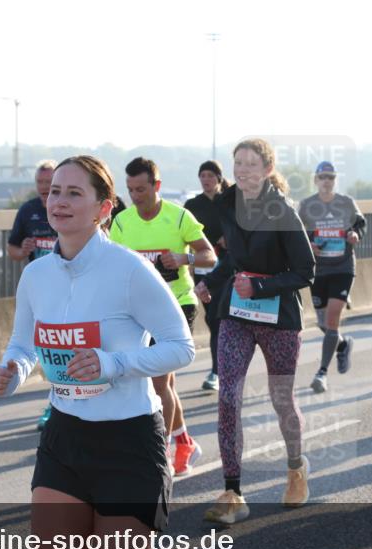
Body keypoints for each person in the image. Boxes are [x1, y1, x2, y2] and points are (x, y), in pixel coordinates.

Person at [0, 155, 200, 549]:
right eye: (54, 192)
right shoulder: (36, 275)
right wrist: (12, 370)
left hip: (129, 444)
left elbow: (182, 347)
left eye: (73, 193)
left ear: (104, 209)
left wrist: (114, 363)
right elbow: (24, 345)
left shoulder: (129, 271)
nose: (58, 202)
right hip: (64, 440)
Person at [194, 138, 315, 524]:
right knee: (228, 397)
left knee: (282, 400)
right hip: (237, 313)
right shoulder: (227, 203)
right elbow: (233, 256)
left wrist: (260, 287)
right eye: (239, 163)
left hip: (278, 318)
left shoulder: (283, 211)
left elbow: (306, 271)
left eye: (251, 163)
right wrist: (211, 280)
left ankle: (295, 468)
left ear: (267, 169)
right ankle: (233, 492)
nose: (243, 169)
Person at [110, 157, 216, 477]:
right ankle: (184, 443)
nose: (135, 196)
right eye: (130, 190)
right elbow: (112, 265)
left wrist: (183, 258)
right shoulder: (122, 222)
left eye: (141, 189)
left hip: (177, 305)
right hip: (138, 310)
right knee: (163, 383)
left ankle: (161, 456)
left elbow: (209, 256)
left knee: (158, 383)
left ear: (156, 186)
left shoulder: (179, 216)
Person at [298, 160, 367, 393]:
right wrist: (308, 245)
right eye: (323, 177)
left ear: (335, 180)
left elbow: (360, 224)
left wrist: (355, 235)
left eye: (331, 177)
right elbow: (297, 233)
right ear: (315, 180)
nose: (327, 181)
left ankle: (322, 373)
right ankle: (343, 345)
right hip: (319, 270)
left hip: (342, 267)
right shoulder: (307, 205)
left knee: (332, 318)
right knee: (323, 323)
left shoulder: (346, 202)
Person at [7, 160, 59, 431]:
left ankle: (56, 403)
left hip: (69, 287)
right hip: (39, 291)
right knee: (44, 347)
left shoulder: (65, 209)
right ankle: (56, 400)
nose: (43, 187)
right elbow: (13, 251)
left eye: (49, 183)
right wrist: (23, 249)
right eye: (40, 182)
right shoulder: (28, 211)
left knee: (60, 346)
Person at [184, 160, 230, 392]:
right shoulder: (192, 205)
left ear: (219, 178)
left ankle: (217, 372)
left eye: (210, 175)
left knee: (219, 319)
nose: (206, 180)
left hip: (227, 269)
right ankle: (222, 366)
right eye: (202, 176)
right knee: (213, 321)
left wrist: (229, 237)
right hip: (202, 272)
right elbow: (184, 237)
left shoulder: (229, 201)